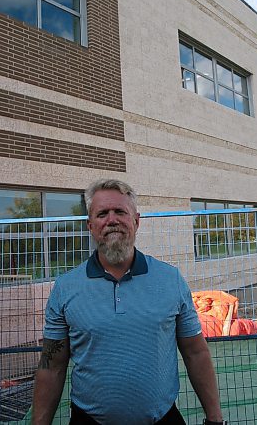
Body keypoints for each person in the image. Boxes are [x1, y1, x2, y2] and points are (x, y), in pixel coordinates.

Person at [32, 179, 225, 425]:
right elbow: (51, 365)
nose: (112, 220)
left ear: (136, 221)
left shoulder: (170, 279)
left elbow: (196, 352)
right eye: (102, 213)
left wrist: (215, 419)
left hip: (163, 418)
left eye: (120, 212)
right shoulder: (65, 287)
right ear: (90, 226)